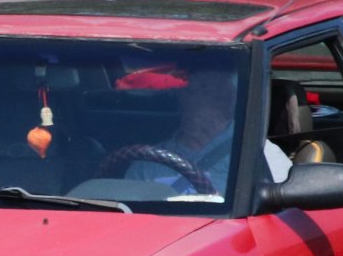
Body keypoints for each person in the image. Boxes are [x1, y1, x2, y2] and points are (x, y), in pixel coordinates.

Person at [124, 66, 291, 196]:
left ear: (228, 101)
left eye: (206, 92)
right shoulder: (148, 163)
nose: (195, 101)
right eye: (190, 92)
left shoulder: (258, 153)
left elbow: (281, 212)